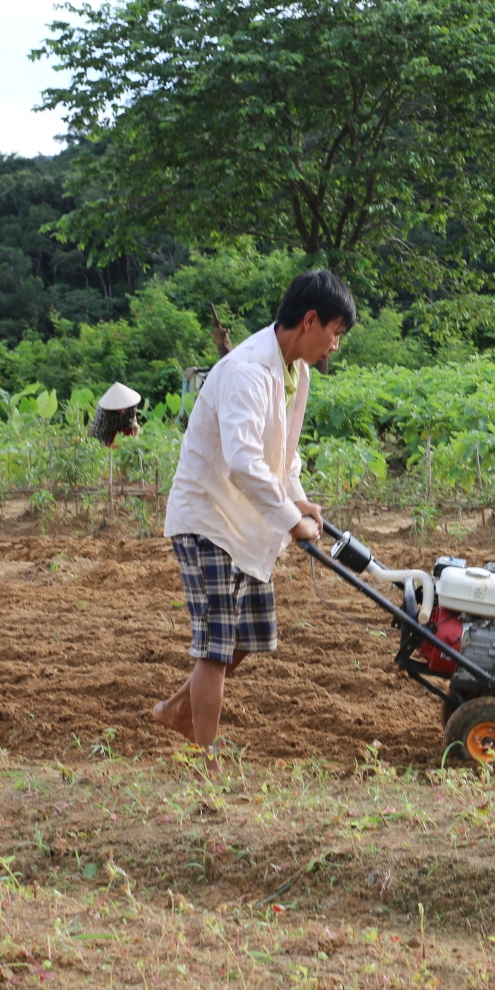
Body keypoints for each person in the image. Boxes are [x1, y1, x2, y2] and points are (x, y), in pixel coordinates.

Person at [153, 270, 355, 770]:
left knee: (248, 638)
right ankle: (206, 758)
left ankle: (176, 710)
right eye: (335, 333)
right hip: (208, 518)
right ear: (310, 321)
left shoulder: (296, 373)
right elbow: (244, 461)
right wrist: (289, 520)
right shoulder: (246, 370)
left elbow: (283, 455)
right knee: (216, 647)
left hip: (243, 520)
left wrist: (299, 501)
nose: (335, 345)